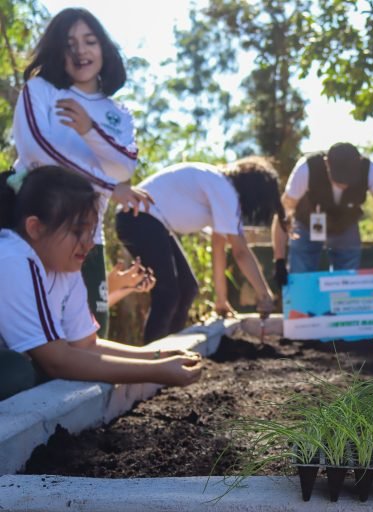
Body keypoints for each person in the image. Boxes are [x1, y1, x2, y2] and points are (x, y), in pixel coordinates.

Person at [0, 166, 202, 401]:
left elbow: (86, 345)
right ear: (35, 228)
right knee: (15, 371)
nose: (88, 243)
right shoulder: (12, 258)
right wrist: (157, 371)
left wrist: (156, 356)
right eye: (77, 231)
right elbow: (56, 360)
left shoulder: (65, 265)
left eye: (91, 231)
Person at [13, 8, 152, 338]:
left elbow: (124, 167)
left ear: (103, 48)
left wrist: (90, 130)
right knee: (34, 339)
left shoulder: (118, 113)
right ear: (57, 51)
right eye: (69, 43)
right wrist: (107, 184)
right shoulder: (40, 91)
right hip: (36, 234)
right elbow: (38, 152)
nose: (80, 51)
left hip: (88, 239)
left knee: (92, 334)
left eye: (89, 41)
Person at [116, 157, 286, 343]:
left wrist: (221, 300)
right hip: (137, 216)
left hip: (149, 220)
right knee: (168, 292)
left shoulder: (220, 188)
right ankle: (152, 359)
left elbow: (218, 245)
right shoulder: (224, 189)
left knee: (187, 287)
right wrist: (264, 295)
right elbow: (240, 252)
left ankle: (171, 348)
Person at [278, 142, 373, 287]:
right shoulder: (306, 168)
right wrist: (278, 259)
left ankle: (340, 306)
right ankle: (300, 305)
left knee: (347, 278)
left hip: (345, 225)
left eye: (349, 178)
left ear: (359, 163)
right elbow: (282, 213)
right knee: (300, 275)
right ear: (326, 163)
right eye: (338, 178)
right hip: (307, 224)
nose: (344, 184)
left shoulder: (369, 170)